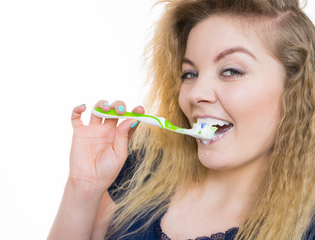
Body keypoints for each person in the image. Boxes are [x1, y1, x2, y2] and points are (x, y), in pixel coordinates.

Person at [48, 0, 315, 239]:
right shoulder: (140, 169)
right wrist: (83, 188)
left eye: (231, 71)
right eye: (190, 74)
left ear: (295, 89)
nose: (196, 94)